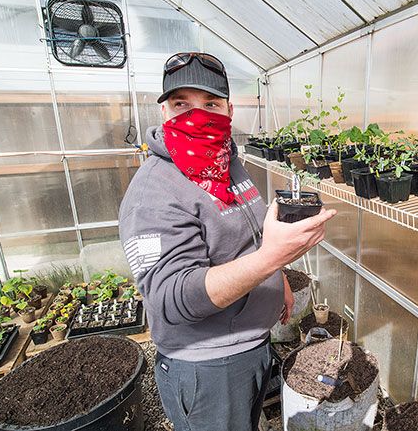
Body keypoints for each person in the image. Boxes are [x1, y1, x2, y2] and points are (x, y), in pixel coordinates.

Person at [118, 52, 336, 431]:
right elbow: (172, 299)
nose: (196, 115)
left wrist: (278, 279)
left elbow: (249, 235)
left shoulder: (225, 160)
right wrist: (272, 258)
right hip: (208, 367)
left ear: (229, 110)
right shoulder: (154, 192)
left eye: (211, 104)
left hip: (250, 346)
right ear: (165, 111)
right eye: (181, 103)